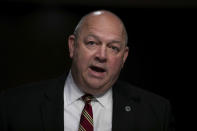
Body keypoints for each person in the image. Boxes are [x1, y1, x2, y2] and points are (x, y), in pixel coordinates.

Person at [0, 10, 175, 131]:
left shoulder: (156, 113)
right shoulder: (14, 106)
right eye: (92, 43)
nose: (102, 55)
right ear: (72, 46)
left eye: (113, 48)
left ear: (124, 57)